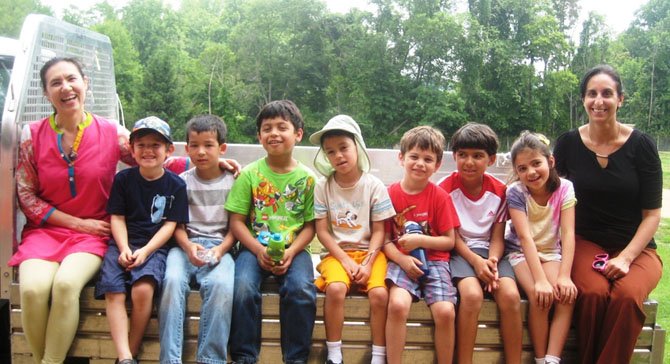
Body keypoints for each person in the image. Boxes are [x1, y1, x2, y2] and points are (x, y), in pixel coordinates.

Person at [7, 57, 142, 364]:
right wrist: (77, 224)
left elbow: (149, 160)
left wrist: (206, 165)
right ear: (46, 93)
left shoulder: (112, 132)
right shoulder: (33, 135)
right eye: (56, 82)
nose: (65, 87)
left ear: (85, 84)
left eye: (72, 79)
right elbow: (26, 195)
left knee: (66, 284)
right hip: (46, 230)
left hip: (94, 234)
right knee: (32, 291)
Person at [553, 65, 663, 364]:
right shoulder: (568, 144)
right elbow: (552, 198)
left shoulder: (642, 146)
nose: (598, 101)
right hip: (584, 240)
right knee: (591, 294)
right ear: (583, 100)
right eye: (592, 94)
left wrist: (626, 257)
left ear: (621, 99)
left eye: (607, 93)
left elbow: (652, 214)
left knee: (627, 297)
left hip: (637, 247)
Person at [225, 100, 317, 364]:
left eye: (282, 127)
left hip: (295, 249)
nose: (274, 133)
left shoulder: (308, 179)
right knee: (242, 288)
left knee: (300, 290)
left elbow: (310, 227)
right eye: (267, 128)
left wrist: (292, 252)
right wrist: (257, 249)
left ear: (297, 134)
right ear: (259, 136)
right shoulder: (250, 175)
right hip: (253, 248)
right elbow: (237, 222)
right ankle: (244, 357)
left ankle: (296, 358)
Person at [95, 116, 189, 364]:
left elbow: (170, 225)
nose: (148, 151)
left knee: (143, 290)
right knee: (113, 291)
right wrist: (124, 248)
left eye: (156, 145)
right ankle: (124, 357)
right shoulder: (123, 180)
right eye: (141, 145)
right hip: (122, 242)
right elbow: (117, 217)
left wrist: (146, 251)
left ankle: (132, 351)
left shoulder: (176, 185)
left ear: (169, 150)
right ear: (131, 149)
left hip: (154, 247)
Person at [310, 115, 396, 364]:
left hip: (370, 252)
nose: (339, 156)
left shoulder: (374, 185)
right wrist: (345, 261)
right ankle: (334, 353)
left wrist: (368, 264)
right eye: (331, 152)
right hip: (337, 254)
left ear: (357, 146)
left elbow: (379, 231)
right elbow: (322, 231)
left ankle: (379, 355)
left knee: (380, 294)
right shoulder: (322, 186)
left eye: (344, 148)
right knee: (336, 289)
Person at [437, 122, 522, 364]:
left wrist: (492, 261)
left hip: (491, 252)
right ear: (454, 156)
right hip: (459, 250)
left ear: (491, 159)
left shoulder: (500, 192)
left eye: (477, 156)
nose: (469, 162)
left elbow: (498, 236)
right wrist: (476, 262)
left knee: (510, 296)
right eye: (462, 155)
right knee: (472, 295)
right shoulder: (445, 189)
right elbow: (452, 237)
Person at [158, 115, 236, 364]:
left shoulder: (235, 181)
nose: (201, 152)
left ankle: (211, 359)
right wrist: (188, 246)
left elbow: (237, 227)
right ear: (186, 148)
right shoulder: (181, 182)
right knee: (170, 281)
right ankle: (170, 359)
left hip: (221, 247)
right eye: (194, 145)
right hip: (185, 246)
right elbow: (176, 226)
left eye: (209, 145)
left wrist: (221, 250)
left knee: (221, 286)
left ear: (222, 148)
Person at [383, 126, 459, 364]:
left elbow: (449, 241)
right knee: (397, 304)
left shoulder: (439, 197)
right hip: (402, 260)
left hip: (435, 261)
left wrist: (420, 240)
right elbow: (384, 240)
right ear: (401, 158)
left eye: (428, 159)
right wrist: (403, 259)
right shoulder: (389, 194)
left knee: (445, 312)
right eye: (414, 156)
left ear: (437, 166)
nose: (420, 164)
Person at [504, 132, 577, 364]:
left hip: (551, 252)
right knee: (540, 296)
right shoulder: (516, 192)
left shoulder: (565, 188)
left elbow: (568, 233)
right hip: (520, 252)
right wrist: (540, 280)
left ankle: (552, 359)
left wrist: (564, 276)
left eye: (536, 163)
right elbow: (524, 238)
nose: (531, 172)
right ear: (517, 172)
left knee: (565, 297)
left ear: (551, 161)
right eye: (522, 168)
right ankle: (539, 357)